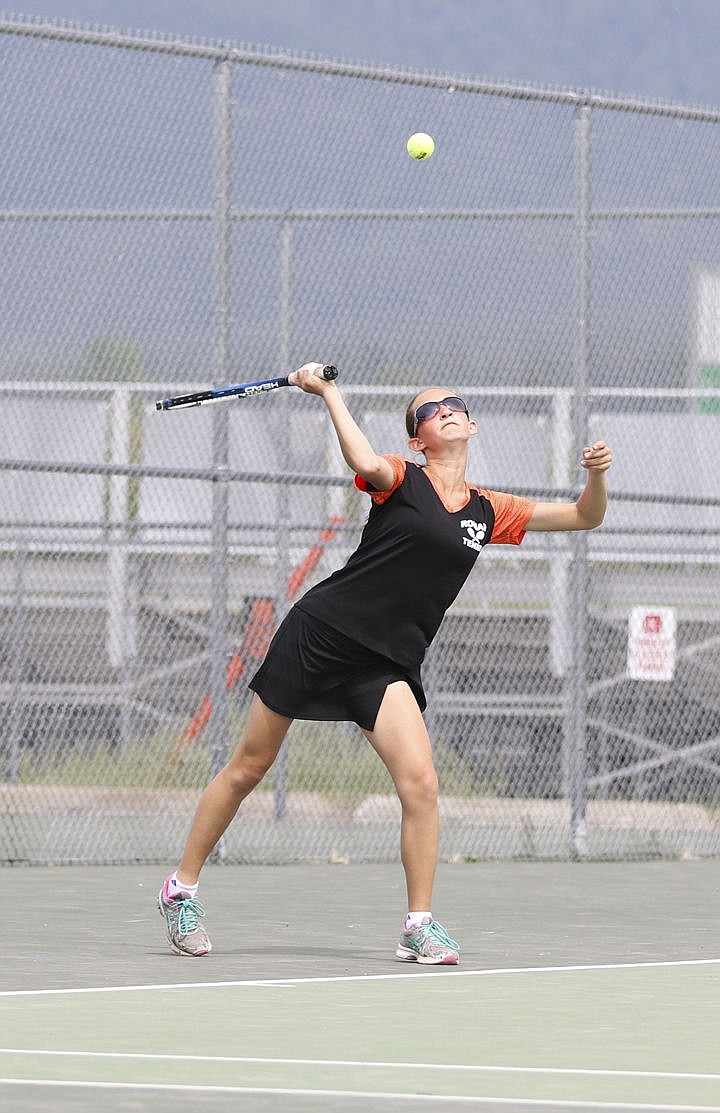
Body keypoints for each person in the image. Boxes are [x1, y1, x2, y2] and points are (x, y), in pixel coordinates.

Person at [158, 362, 612, 965]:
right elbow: (363, 462)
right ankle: (180, 889)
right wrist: (328, 392)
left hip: (384, 664)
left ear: (471, 425)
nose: (445, 409)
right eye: (429, 410)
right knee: (247, 768)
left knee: (421, 784)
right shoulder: (399, 477)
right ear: (417, 438)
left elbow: (584, 516)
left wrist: (598, 477)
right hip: (320, 634)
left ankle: (417, 925)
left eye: (455, 403)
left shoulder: (489, 510)